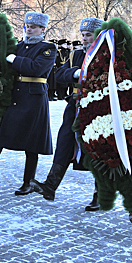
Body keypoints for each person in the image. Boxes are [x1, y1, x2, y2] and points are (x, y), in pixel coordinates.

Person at [0, 11, 57, 195]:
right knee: (2, 134)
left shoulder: (48, 48)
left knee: (32, 144)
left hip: (34, 98)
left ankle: (28, 182)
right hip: (16, 97)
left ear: (42, 29)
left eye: (33, 27)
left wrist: (15, 60)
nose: (29, 29)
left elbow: (36, 69)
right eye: (27, 26)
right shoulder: (20, 46)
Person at [33, 17, 103, 210]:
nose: (84, 38)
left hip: (99, 108)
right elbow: (59, 74)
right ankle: (50, 185)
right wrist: (74, 73)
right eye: (83, 34)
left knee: (98, 150)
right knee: (64, 142)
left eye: (88, 35)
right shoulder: (76, 55)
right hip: (74, 104)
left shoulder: (106, 55)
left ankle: (100, 194)